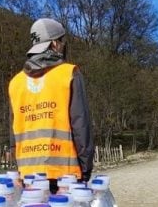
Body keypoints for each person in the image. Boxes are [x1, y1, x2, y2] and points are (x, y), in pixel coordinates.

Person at [8, 18, 94, 193]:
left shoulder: (15, 83)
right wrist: (85, 171)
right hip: (66, 175)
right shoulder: (69, 73)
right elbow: (81, 125)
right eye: (62, 41)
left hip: (28, 177)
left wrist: (19, 170)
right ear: (55, 44)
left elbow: (13, 135)